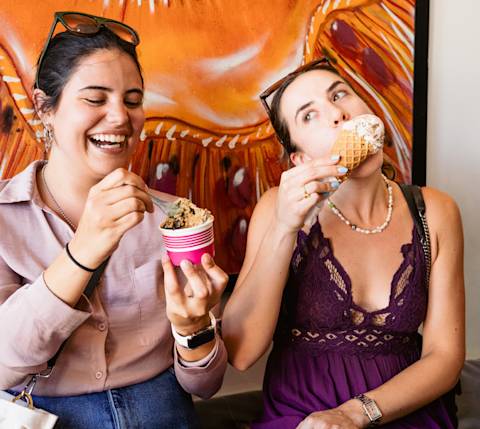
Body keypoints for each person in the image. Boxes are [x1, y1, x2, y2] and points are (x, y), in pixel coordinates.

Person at [0, 12, 228, 428]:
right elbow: (3, 363)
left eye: (133, 100)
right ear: (45, 107)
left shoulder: (176, 217)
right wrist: (84, 248)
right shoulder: (4, 217)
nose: (121, 117)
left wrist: (194, 329)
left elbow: (206, 385)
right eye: (95, 99)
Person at [222, 59, 465, 428]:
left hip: (405, 411)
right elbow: (240, 352)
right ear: (301, 159)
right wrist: (284, 229)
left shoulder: (435, 211)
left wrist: (355, 413)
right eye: (309, 115)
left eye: (339, 95)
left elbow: (445, 357)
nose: (337, 114)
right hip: (304, 415)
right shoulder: (276, 208)